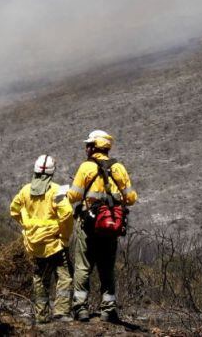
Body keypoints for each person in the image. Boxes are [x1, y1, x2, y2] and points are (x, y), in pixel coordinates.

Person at [66, 130, 137, 322]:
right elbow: (131, 198)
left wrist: (67, 193)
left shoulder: (86, 167)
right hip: (110, 225)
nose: (86, 148)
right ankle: (108, 310)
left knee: (83, 266)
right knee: (107, 267)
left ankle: (80, 309)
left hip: (87, 224)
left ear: (94, 147)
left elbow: (73, 196)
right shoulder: (119, 168)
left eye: (88, 145)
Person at [10, 155, 74, 324]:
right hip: (55, 244)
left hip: (34, 245)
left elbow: (14, 210)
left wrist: (28, 226)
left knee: (40, 279)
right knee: (64, 277)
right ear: (52, 172)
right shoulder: (57, 190)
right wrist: (64, 235)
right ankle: (61, 312)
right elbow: (67, 213)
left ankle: (42, 316)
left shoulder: (25, 191)